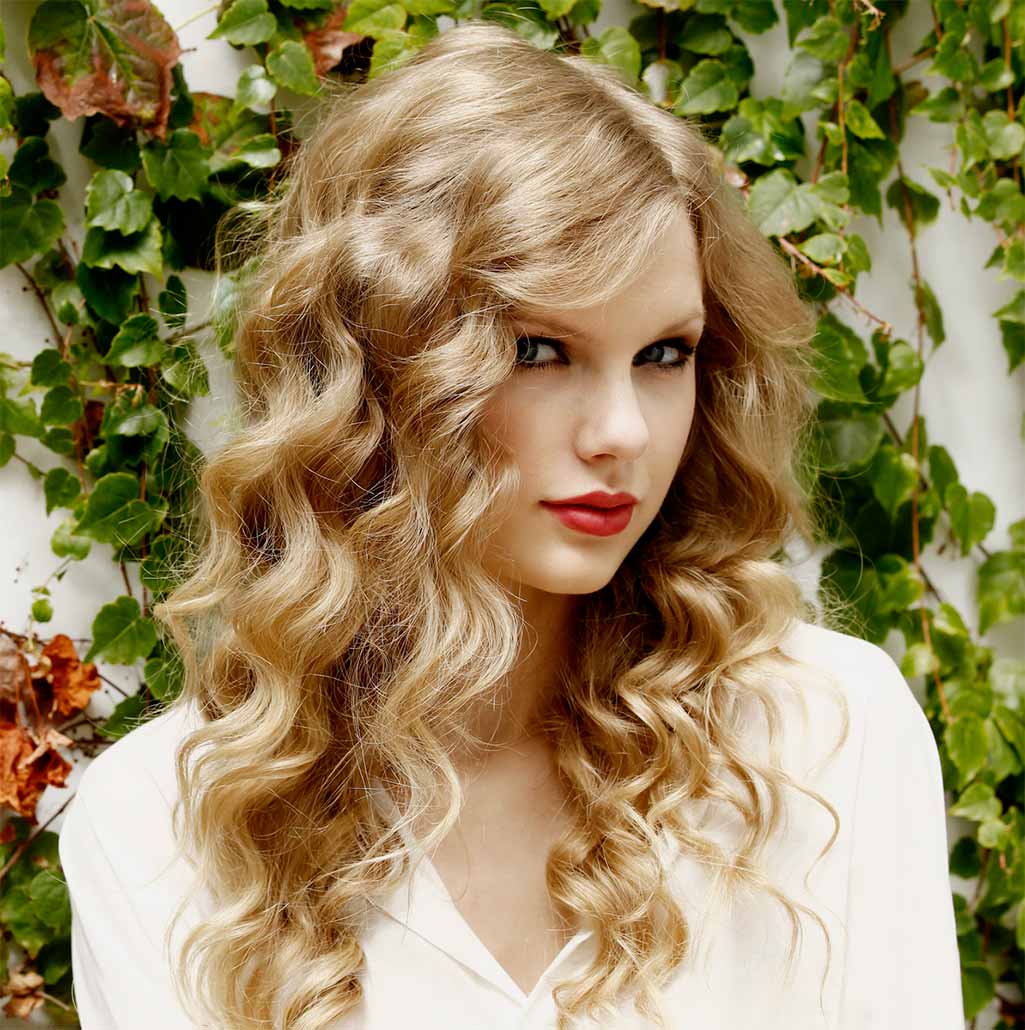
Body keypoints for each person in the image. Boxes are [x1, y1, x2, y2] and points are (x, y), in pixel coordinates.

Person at [58, 19, 964, 1030]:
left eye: (663, 355)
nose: (622, 432)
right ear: (374, 370)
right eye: (538, 351)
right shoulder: (164, 824)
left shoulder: (824, 736)